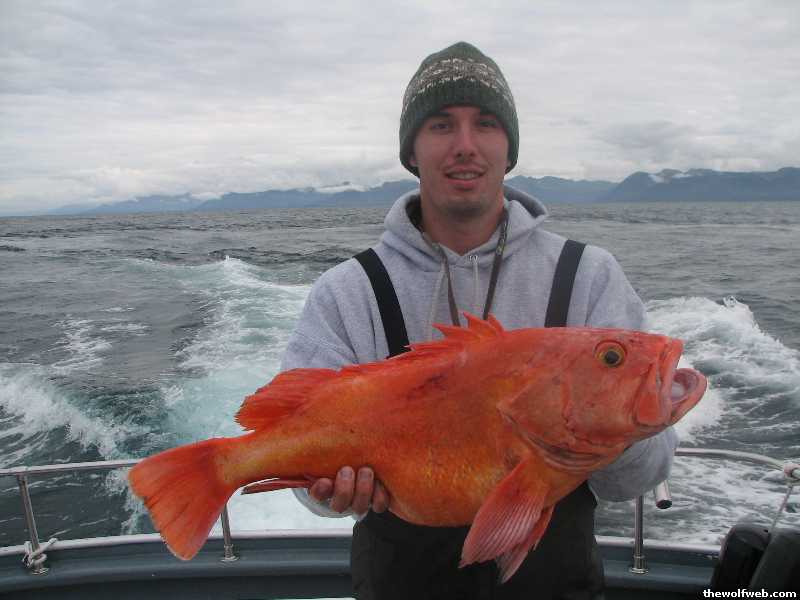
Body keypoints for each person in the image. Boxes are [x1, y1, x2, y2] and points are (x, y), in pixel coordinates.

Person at [280, 41, 678, 599]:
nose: (465, 145)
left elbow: (633, 482)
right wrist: (325, 491)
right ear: (412, 150)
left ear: (508, 148)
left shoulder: (589, 276)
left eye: (485, 124)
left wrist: (618, 424)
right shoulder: (348, 292)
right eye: (441, 125)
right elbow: (302, 468)